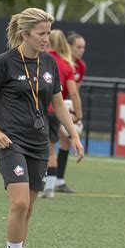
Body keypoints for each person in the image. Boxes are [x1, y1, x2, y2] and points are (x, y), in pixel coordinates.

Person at [0, 8, 84, 248]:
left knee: (30, 209)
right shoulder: (6, 61)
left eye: (48, 33)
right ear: (25, 34)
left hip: (38, 143)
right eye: (41, 34)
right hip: (11, 141)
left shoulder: (49, 64)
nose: (47, 38)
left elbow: (57, 103)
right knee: (20, 203)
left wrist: (75, 135)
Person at [39, 29, 82, 199]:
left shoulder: (41, 59)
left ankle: (42, 182)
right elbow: (74, 93)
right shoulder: (66, 65)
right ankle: (50, 186)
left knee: (37, 149)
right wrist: (78, 114)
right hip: (55, 112)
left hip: (39, 110)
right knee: (50, 150)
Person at [55, 31, 87, 193]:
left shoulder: (80, 66)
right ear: (68, 47)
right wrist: (79, 115)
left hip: (64, 107)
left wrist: (74, 112)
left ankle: (58, 180)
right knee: (47, 142)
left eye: (83, 47)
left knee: (65, 142)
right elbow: (72, 93)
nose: (81, 50)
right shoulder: (61, 61)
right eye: (78, 47)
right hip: (52, 105)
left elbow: (75, 93)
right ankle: (47, 180)